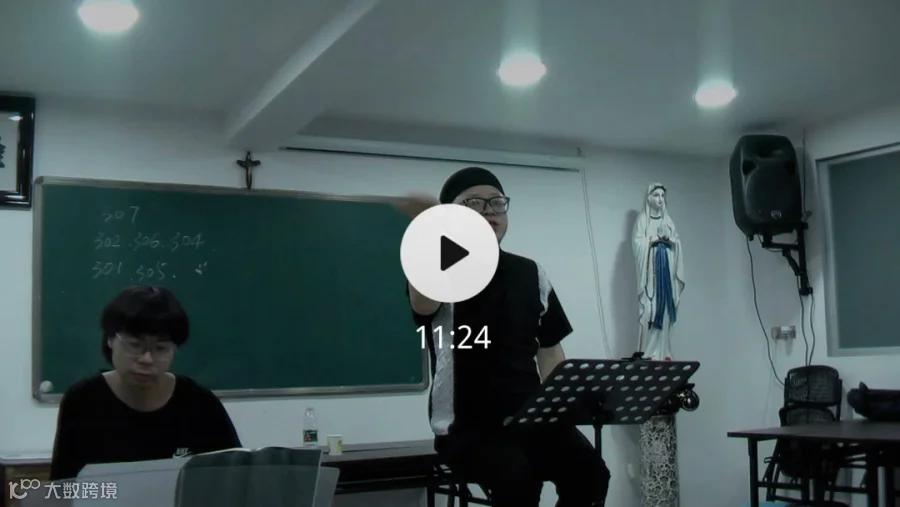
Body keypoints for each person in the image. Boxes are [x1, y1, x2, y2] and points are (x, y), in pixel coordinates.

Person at [396, 167, 610, 507]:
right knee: (518, 480)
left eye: (497, 202)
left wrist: (561, 408)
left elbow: (550, 352)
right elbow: (423, 304)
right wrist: (433, 228)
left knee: (590, 472)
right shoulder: (439, 264)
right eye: (474, 203)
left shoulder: (531, 272)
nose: (489, 211)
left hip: (532, 419)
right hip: (467, 428)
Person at [49, 286, 242, 481]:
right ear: (110, 339)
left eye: (161, 348)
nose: (147, 359)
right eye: (134, 345)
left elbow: (234, 480)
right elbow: (62, 486)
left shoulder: (200, 403)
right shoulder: (82, 401)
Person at [631, 183, 685, 361]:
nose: (660, 199)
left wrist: (669, 240)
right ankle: (649, 352)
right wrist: (653, 240)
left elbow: (677, 243)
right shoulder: (642, 220)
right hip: (651, 278)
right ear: (649, 198)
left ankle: (664, 351)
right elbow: (637, 243)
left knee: (667, 312)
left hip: (666, 275)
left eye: (662, 196)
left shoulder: (667, 221)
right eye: (656, 195)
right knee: (650, 311)